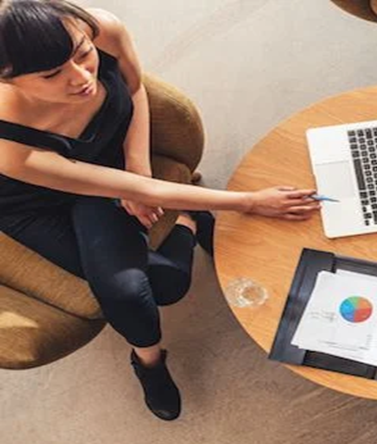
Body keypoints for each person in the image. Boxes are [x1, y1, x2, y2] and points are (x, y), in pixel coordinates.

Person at [0, 0, 321, 420]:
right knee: (162, 285)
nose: (81, 77)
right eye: (51, 75)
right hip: (34, 202)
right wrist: (250, 202)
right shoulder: (9, 144)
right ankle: (150, 358)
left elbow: (135, 90)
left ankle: (184, 226)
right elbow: (118, 188)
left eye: (82, 54)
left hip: (109, 167)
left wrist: (138, 165)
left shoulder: (102, 27)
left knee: (133, 290)